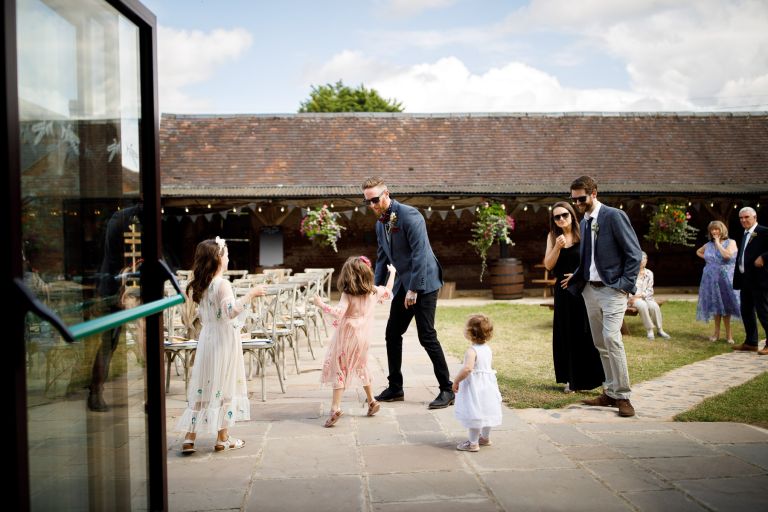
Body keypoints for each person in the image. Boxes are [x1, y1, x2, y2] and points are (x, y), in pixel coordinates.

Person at [362, 176, 455, 409]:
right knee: (392, 333)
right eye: (367, 202)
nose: (372, 205)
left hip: (424, 281)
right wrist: (377, 287)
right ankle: (395, 387)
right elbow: (383, 257)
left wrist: (414, 288)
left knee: (427, 335)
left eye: (375, 200)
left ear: (386, 194)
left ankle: (447, 389)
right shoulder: (379, 223)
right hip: (404, 283)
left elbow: (420, 254)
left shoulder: (410, 215)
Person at [176, 237, 266, 454]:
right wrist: (250, 295)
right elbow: (229, 312)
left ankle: (190, 437)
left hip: (208, 338)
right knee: (225, 383)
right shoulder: (222, 284)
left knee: (204, 383)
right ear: (217, 258)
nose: (228, 257)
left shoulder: (202, 284)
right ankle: (222, 438)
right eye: (225, 254)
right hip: (224, 339)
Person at [564, 176, 642, 418]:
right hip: (590, 290)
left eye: (581, 198)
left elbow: (634, 254)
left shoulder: (614, 216)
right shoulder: (585, 221)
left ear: (594, 193)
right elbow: (588, 258)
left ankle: (624, 396)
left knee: (612, 339)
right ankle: (609, 392)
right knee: (601, 343)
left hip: (612, 290)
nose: (576, 203)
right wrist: (578, 276)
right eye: (573, 199)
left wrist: (624, 286)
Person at [313, 256, 397, 427]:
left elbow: (337, 313)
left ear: (348, 275)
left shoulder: (348, 294)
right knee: (361, 365)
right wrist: (393, 273)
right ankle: (372, 400)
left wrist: (320, 304)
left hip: (347, 337)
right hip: (364, 337)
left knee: (340, 368)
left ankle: (335, 407)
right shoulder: (373, 291)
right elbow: (388, 290)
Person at [543, 201, 604, 393]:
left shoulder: (584, 233)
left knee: (587, 332)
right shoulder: (553, 236)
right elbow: (548, 265)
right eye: (557, 217)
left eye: (564, 215)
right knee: (567, 333)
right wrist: (557, 248)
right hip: (563, 292)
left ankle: (596, 378)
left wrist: (577, 275)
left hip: (583, 289)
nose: (561, 219)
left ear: (571, 215)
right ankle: (571, 379)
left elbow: (595, 261)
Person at [88, 203, 143, 412]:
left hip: (122, 287)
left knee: (111, 342)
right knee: (108, 342)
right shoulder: (123, 220)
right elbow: (114, 260)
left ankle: (96, 390)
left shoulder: (126, 219)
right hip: (115, 289)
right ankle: (95, 391)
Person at [452, 314, 502, 452]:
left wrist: (456, 381)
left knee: (474, 413)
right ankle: (485, 438)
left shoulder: (471, 351)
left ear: (470, 333)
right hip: (488, 385)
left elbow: (468, 369)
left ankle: (473, 443)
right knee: (486, 410)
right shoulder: (487, 348)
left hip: (475, 387)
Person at [695, 220, 740, 343]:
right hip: (710, 278)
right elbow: (698, 251)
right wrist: (709, 259)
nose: (714, 231)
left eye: (717, 229)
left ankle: (729, 335)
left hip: (725, 278)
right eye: (712, 229)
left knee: (726, 306)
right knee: (715, 306)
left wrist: (718, 243)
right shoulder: (708, 245)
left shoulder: (731, 242)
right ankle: (716, 333)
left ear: (722, 230)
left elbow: (727, 256)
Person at [732, 207, 768, 354]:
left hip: (760, 280)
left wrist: (764, 257)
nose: (743, 220)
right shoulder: (745, 233)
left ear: (754, 217)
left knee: (764, 312)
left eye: (746, 217)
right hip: (746, 279)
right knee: (746, 311)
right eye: (741, 218)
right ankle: (751, 342)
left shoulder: (764, 231)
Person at [630, 252, 671, 340]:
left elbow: (649, 290)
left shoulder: (649, 273)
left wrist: (640, 296)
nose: (641, 261)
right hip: (632, 299)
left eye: (643, 259)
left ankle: (660, 330)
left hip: (645, 297)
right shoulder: (631, 273)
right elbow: (627, 287)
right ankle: (649, 330)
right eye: (639, 259)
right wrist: (633, 297)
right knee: (642, 305)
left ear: (646, 261)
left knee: (654, 306)